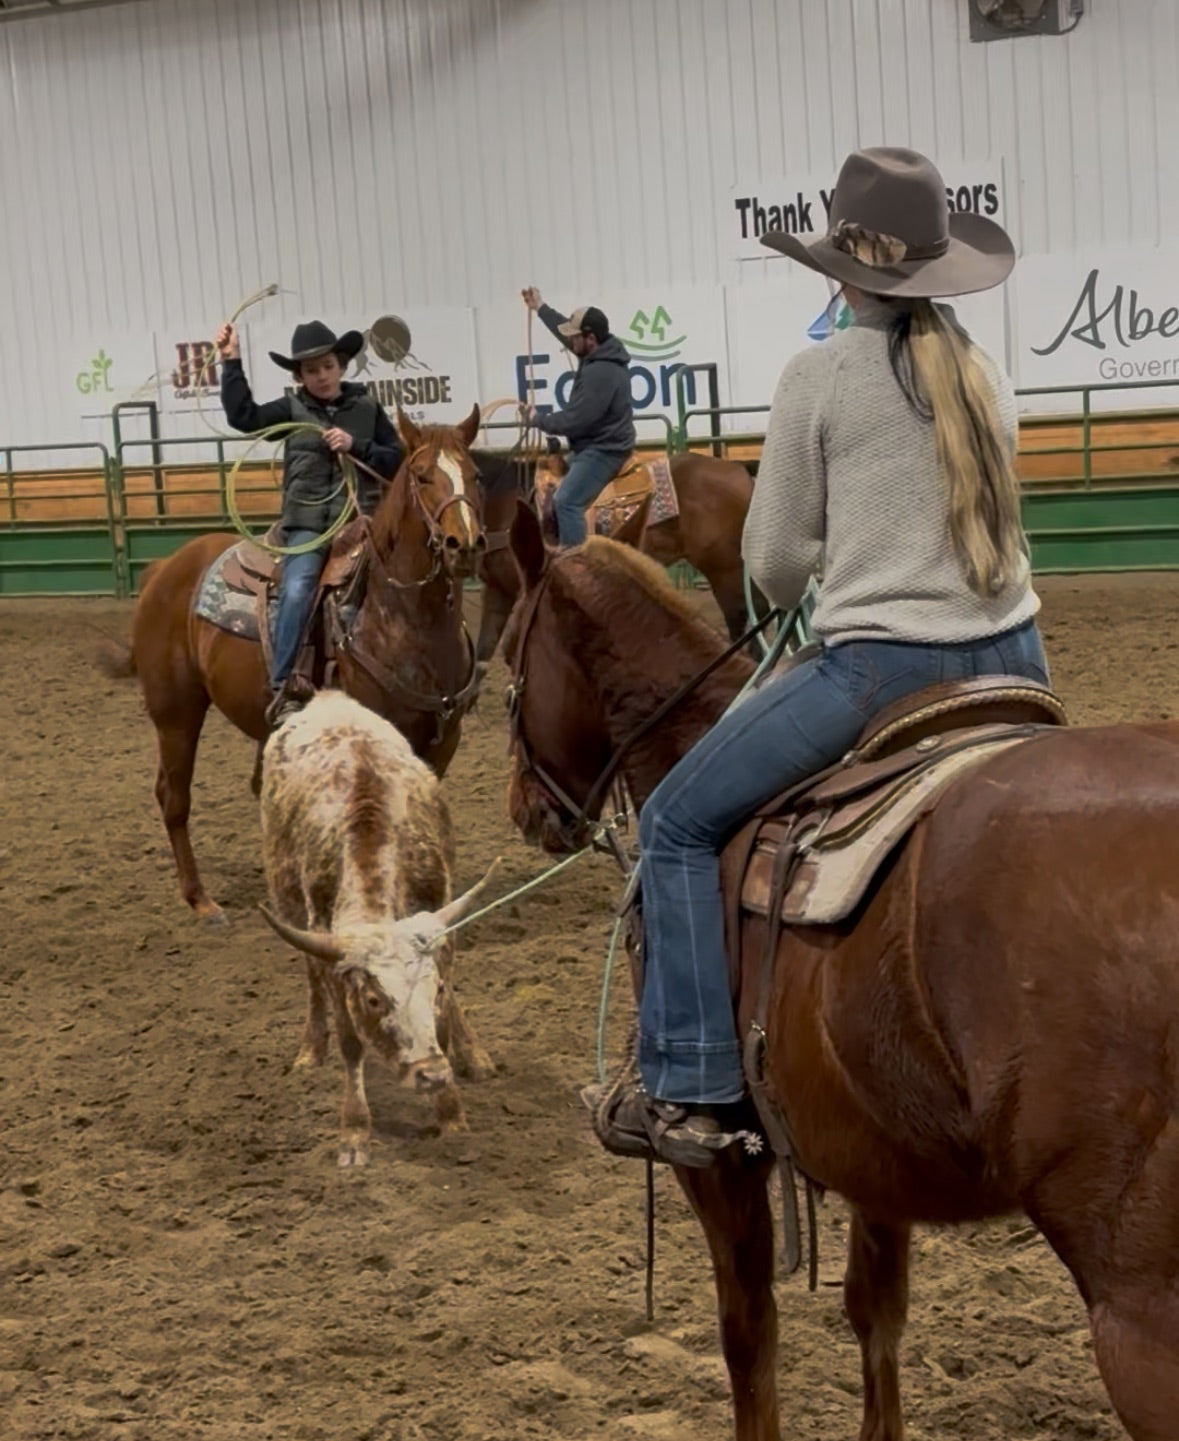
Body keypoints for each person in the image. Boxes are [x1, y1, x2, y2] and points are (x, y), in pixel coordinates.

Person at [594, 146, 1051, 1168]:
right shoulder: (982, 371)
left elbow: (775, 565)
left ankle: (691, 1080)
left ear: (843, 269)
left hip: (882, 670)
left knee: (674, 822)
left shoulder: (819, 375)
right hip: (1018, 660)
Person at [215, 319, 404, 728]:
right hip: (308, 525)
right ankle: (284, 685)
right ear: (299, 377)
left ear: (342, 366)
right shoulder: (292, 409)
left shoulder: (367, 408)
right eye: (312, 370)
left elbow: (397, 459)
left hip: (361, 521)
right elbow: (243, 417)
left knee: (404, 582)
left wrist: (357, 446)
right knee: (299, 587)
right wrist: (231, 363)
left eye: (328, 366)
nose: (322, 376)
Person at [519, 288, 636, 546]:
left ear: (590, 338)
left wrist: (538, 420)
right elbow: (566, 333)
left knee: (566, 501)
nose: (570, 341)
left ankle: (576, 561)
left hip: (603, 451)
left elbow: (576, 420)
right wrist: (540, 307)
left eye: (575, 337)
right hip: (599, 445)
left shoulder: (600, 372)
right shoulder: (599, 354)